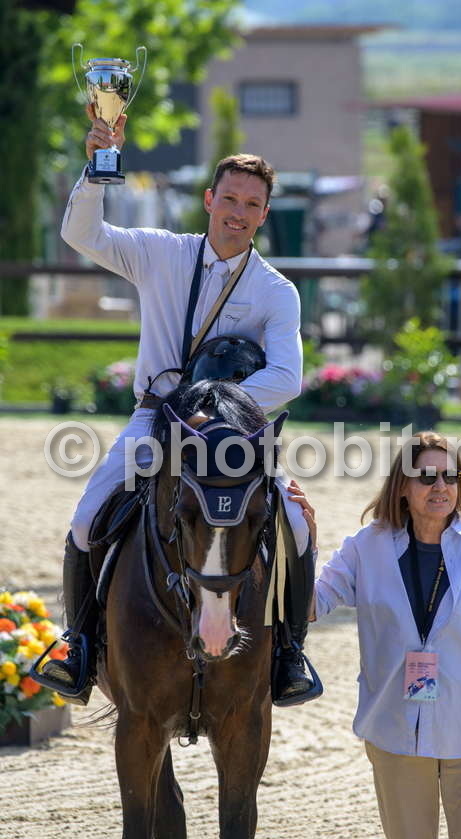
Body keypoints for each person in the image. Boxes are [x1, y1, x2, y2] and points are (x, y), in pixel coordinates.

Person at [41, 105, 319, 708]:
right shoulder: (160, 254)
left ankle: (291, 653)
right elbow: (83, 235)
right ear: (208, 199)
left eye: (252, 204)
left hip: (235, 435)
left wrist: (217, 411)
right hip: (154, 420)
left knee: (296, 526)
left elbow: (287, 378)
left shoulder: (276, 291)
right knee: (87, 519)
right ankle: (79, 645)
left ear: (265, 214)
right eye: (230, 198)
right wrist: (98, 168)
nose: (238, 212)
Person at [288, 432, 461, 839]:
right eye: (427, 477)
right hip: (395, 731)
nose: (440, 486)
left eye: (451, 477)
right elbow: (311, 606)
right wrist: (306, 541)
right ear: (402, 485)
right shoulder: (367, 547)